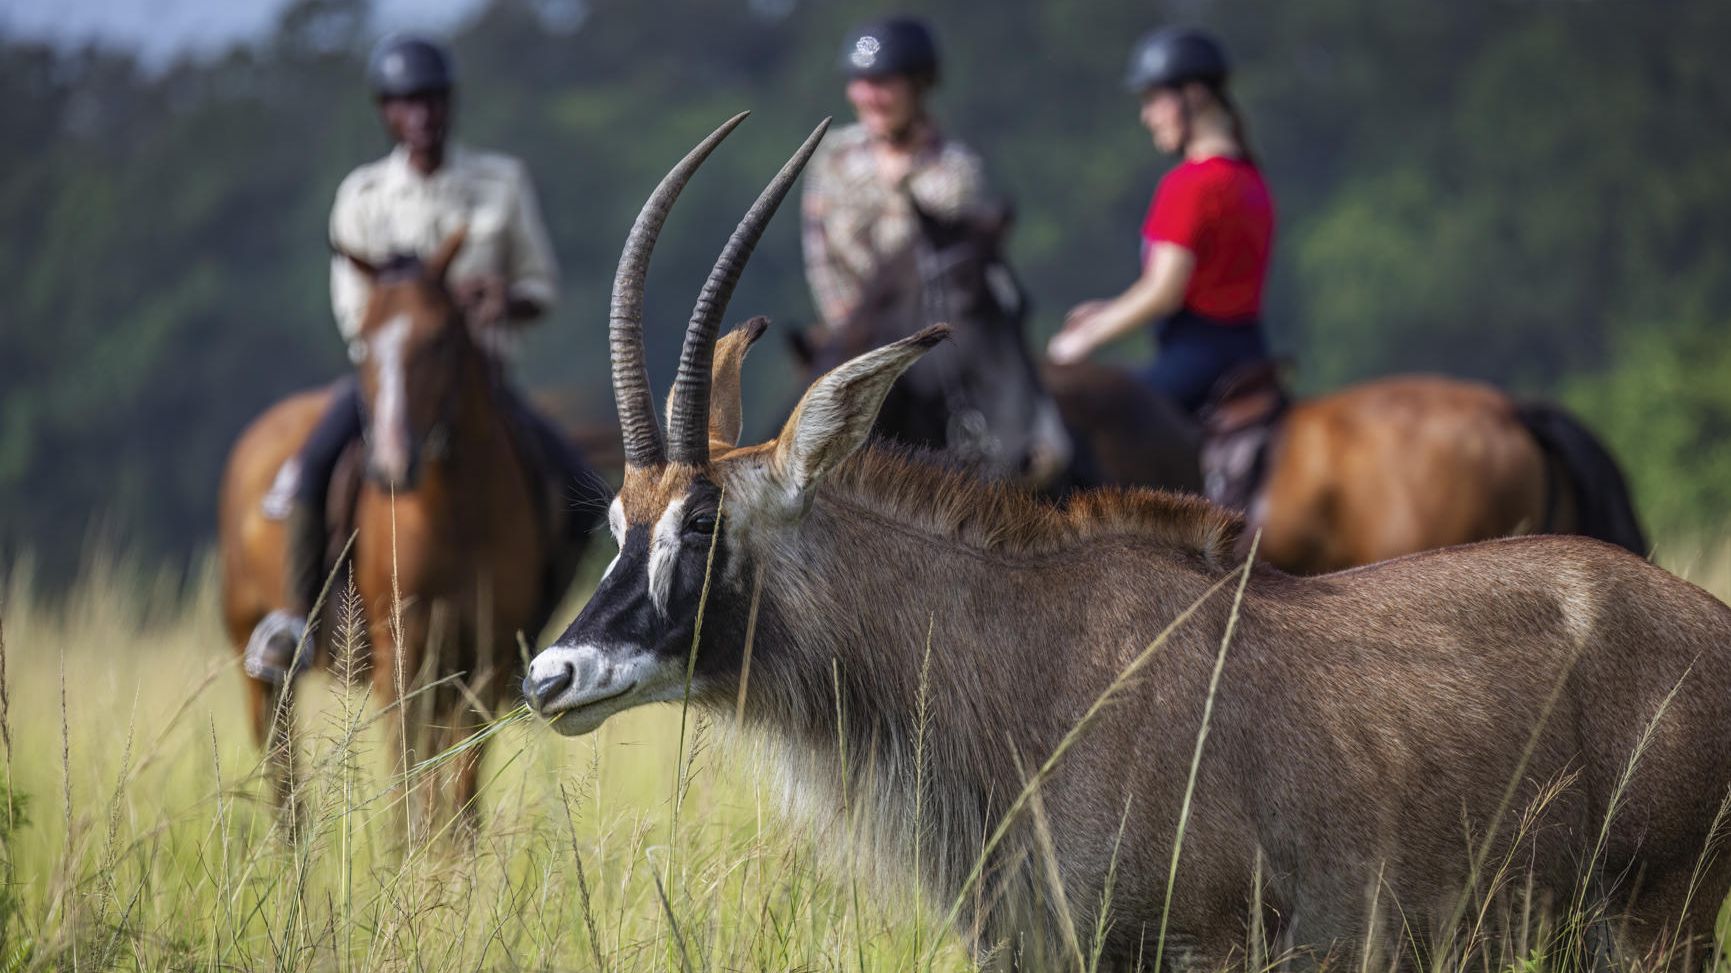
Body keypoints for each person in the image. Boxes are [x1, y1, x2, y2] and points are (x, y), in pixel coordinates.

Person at [244, 34, 596, 682]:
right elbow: (355, 312)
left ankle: (533, 646)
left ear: (450, 104)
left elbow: (538, 286)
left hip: (483, 387)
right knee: (314, 465)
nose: (422, 115)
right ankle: (299, 617)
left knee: (583, 494)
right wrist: (417, 320)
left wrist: (501, 300)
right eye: (407, 103)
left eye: (432, 100)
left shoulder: (500, 183)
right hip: (388, 382)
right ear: (386, 111)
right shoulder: (363, 195)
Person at [1046, 28, 1274, 418]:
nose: (1146, 116)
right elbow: (1205, 287)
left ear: (1195, 94)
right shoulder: (1251, 179)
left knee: (1090, 430)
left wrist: (1085, 338)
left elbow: (1163, 292)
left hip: (1197, 360)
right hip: (1250, 352)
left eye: (1154, 100)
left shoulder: (1189, 184)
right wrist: (1110, 309)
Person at [802, 15, 1000, 336]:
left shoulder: (956, 171)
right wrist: (853, 335)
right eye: (859, 82)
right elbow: (822, 263)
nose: (868, 97)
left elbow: (955, 277)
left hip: (928, 339)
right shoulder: (833, 159)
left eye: (882, 83)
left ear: (918, 86)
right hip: (851, 336)